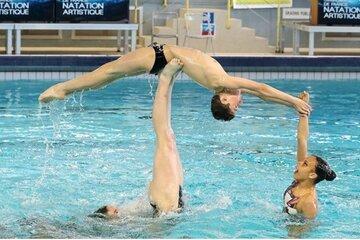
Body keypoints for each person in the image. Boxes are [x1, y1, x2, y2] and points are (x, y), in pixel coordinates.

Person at [38, 44, 311, 120]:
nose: (241, 102)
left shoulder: (221, 81)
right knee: (106, 76)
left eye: (236, 106)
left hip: (159, 55)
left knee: (106, 73)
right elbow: (263, 94)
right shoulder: (220, 82)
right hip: (160, 60)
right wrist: (292, 103)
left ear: (224, 99)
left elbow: (262, 90)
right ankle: (65, 90)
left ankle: (62, 89)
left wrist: (292, 102)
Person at [91, 59, 184, 218]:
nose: (117, 209)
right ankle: (166, 78)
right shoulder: (134, 219)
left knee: (166, 137)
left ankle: (167, 78)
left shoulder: (131, 217)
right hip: (167, 207)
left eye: (115, 210)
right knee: (167, 137)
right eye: (115, 211)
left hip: (166, 206)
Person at [283, 91, 336, 219]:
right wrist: (303, 113)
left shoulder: (308, 203)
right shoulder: (301, 179)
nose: (300, 162)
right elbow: (302, 139)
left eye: (305, 164)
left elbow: (307, 229)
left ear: (312, 174)